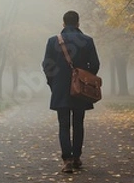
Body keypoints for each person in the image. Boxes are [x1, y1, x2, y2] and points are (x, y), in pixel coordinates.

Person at [42, 10, 100, 173]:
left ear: (63, 23)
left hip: (60, 88)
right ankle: (76, 157)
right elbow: (95, 64)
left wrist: (53, 83)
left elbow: (47, 66)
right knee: (78, 123)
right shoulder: (87, 41)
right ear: (78, 23)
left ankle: (66, 160)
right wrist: (85, 78)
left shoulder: (53, 41)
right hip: (81, 88)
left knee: (64, 124)